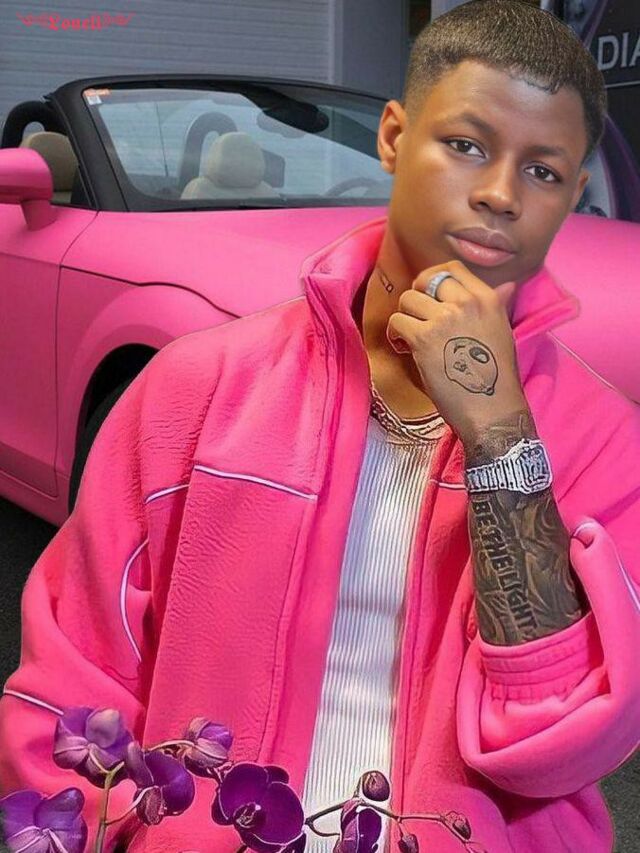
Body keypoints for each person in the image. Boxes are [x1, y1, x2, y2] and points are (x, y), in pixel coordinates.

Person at [1, 1, 640, 851]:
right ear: (394, 137)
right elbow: (75, 675)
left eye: (544, 171)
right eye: (466, 145)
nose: (499, 193)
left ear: (574, 196)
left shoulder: (603, 441)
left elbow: (558, 742)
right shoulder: (200, 386)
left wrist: (500, 437)